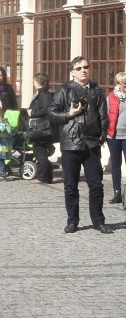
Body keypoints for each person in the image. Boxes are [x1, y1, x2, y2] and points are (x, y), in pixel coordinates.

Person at [49, 56, 111, 234]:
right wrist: (68, 114)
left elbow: (103, 116)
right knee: (70, 185)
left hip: (91, 143)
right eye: (79, 68)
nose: (83, 70)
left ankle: (98, 220)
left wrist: (102, 135)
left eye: (86, 67)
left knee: (96, 184)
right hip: (70, 143)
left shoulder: (97, 91)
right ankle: (72, 221)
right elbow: (52, 113)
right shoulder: (64, 90)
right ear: (72, 72)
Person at [28, 73, 55, 185]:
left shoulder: (45, 94)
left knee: (40, 152)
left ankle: (43, 177)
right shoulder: (42, 93)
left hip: (42, 128)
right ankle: (48, 175)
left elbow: (47, 110)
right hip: (41, 127)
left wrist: (33, 112)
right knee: (40, 151)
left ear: (39, 82)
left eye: (34, 81)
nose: (33, 84)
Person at [106, 72, 126, 204]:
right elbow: (105, 115)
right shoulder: (111, 97)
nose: (125, 86)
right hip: (113, 135)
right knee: (115, 164)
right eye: (124, 84)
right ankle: (117, 192)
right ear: (118, 84)